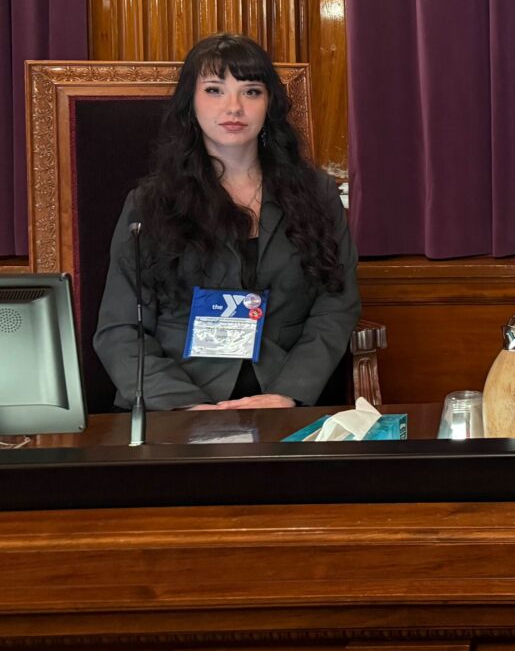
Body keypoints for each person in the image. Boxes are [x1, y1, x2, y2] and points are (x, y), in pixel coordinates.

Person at [94, 33, 360, 410]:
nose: (234, 107)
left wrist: (287, 394)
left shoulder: (316, 195)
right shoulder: (150, 204)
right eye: (214, 90)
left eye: (251, 92)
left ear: (269, 104)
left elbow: (336, 305)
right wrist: (185, 406)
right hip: (174, 406)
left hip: (285, 400)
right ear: (190, 103)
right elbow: (121, 329)